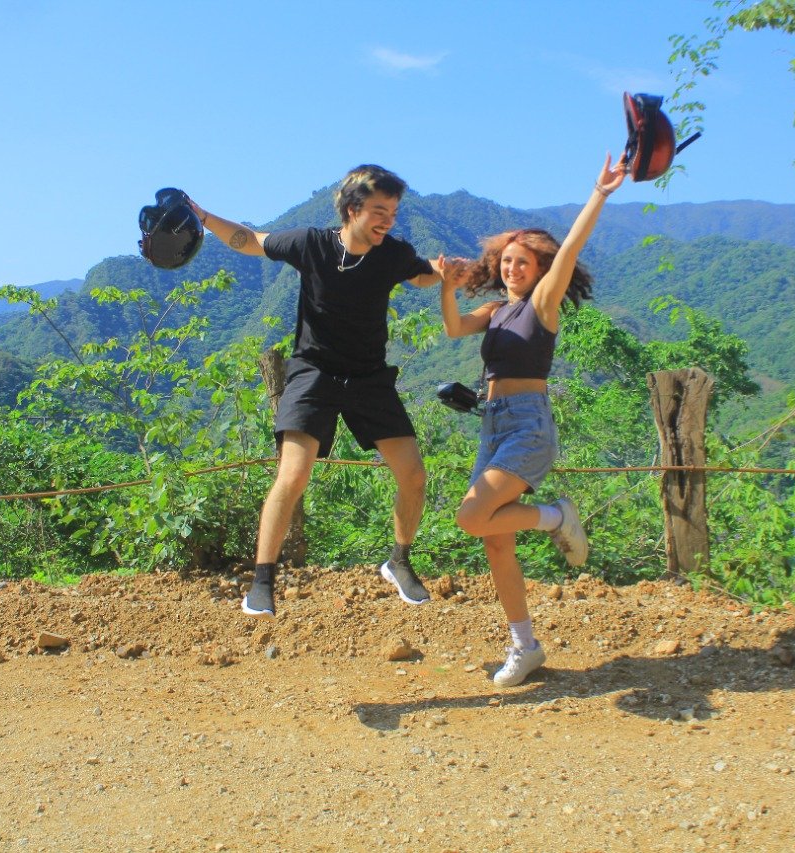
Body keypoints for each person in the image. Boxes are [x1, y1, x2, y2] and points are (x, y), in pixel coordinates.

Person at [186, 165, 446, 618]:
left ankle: (398, 560)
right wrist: (205, 217)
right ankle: (262, 581)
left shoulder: (392, 254)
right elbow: (251, 240)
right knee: (294, 474)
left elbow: (420, 275)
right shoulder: (312, 243)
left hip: (369, 377)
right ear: (352, 209)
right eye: (380, 211)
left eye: (394, 212)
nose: (389, 220)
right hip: (314, 373)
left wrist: (441, 273)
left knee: (414, 475)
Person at [436, 154, 627, 687]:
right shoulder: (496, 311)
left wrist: (600, 193)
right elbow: (454, 329)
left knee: (472, 517)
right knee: (495, 539)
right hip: (492, 423)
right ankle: (526, 646)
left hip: (527, 426)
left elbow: (570, 249)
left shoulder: (543, 304)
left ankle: (554, 517)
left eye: (523, 262)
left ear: (540, 270)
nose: (511, 269)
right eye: (506, 262)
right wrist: (447, 283)